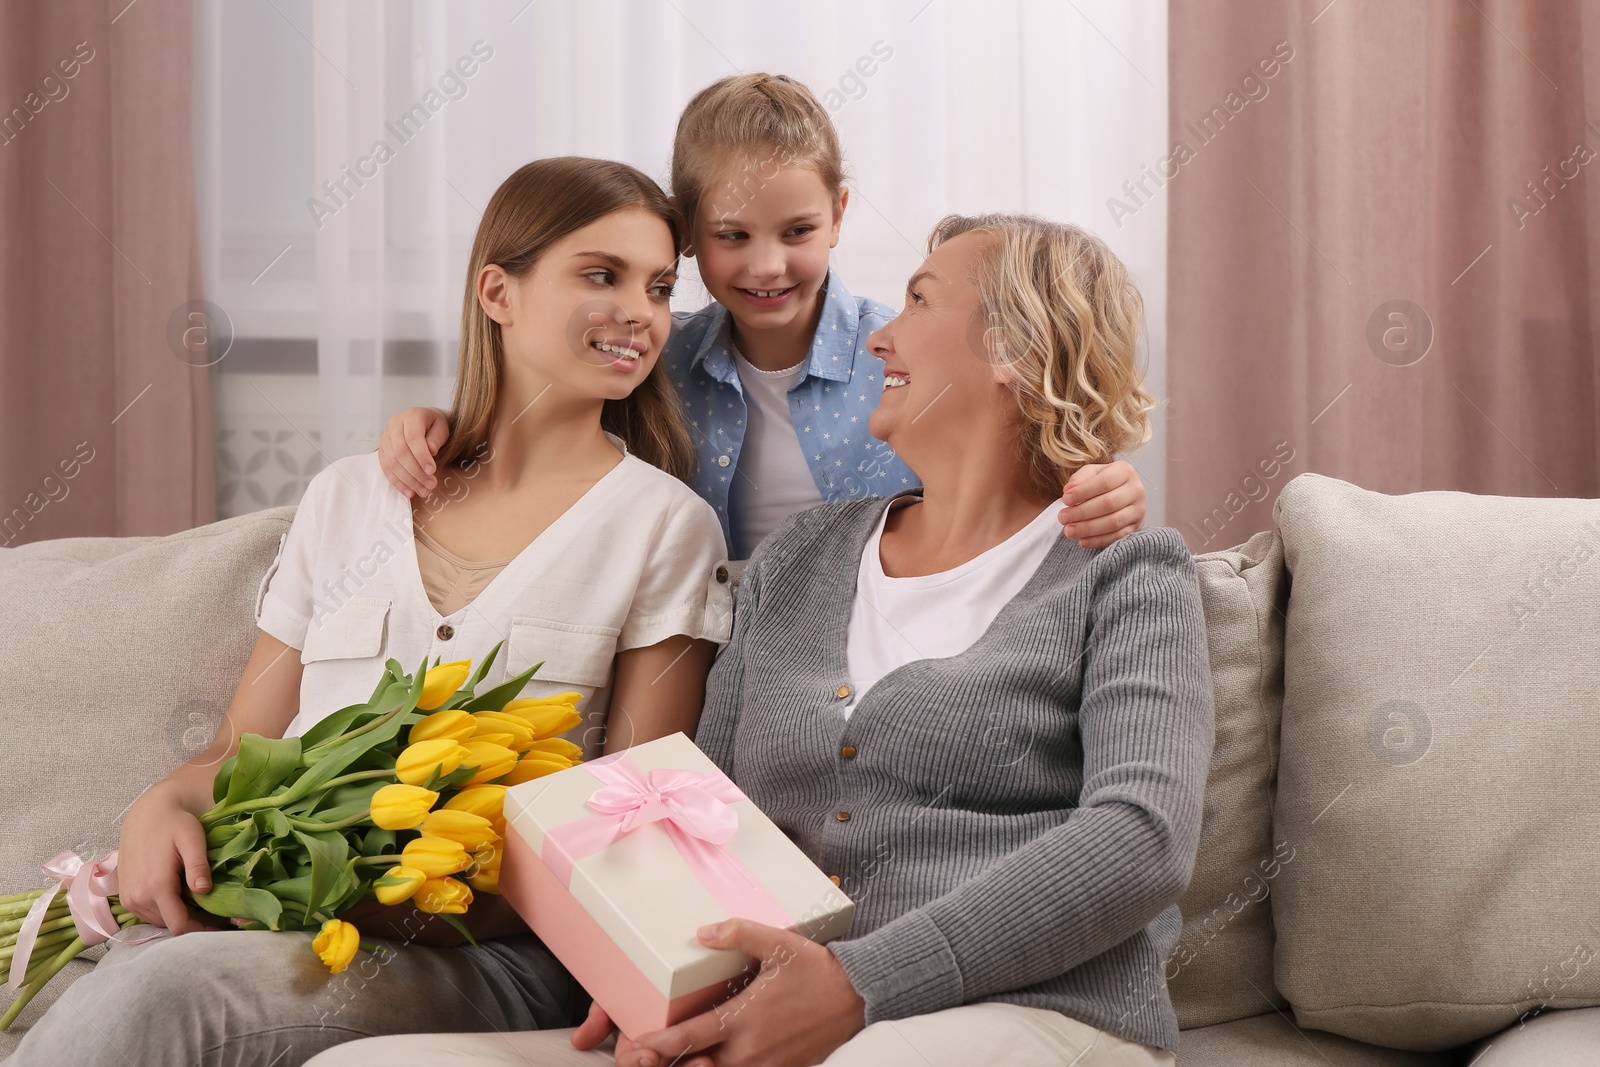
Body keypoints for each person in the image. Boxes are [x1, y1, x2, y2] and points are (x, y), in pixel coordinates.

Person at [311, 214, 1215, 1067]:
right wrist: (645, 969)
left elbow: (1142, 839)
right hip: (778, 1012)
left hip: (1033, 1012)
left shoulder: (1125, 571)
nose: (879, 337)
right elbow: (698, 803)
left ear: (1017, 348)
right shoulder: (805, 555)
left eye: (920, 300)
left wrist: (858, 985)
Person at [5, 157, 734, 1067]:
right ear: (497, 293)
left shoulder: (665, 526)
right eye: (602, 274)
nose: (642, 311)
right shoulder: (350, 497)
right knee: (102, 981)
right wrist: (164, 801)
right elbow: (238, 753)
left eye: (660, 287)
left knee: (167, 990)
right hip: (288, 926)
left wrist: (366, 895)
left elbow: (627, 826)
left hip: (495, 958)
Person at [376, 74, 1148, 564]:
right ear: (685, 229)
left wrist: (1107, 485)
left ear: (839, 213)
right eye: (732, 237)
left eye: (798, 233)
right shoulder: (652, 358)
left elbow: (1027, 453)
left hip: (853, 637)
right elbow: (537, 417)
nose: (768, 265)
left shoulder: (907, 354)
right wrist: (436, 422)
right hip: (701, 637)